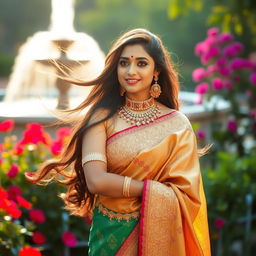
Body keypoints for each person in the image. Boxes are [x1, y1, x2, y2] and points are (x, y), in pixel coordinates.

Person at [28, 28, 211, 255]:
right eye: (124, 63)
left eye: (141, 63)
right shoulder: (101, 117)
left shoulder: (177, 125)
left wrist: (146, 194)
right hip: (110, 237)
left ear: (156, 71)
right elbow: (96, 180)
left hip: (161, 237)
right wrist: (150, 190)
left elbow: (187, 196)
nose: (130, 71)